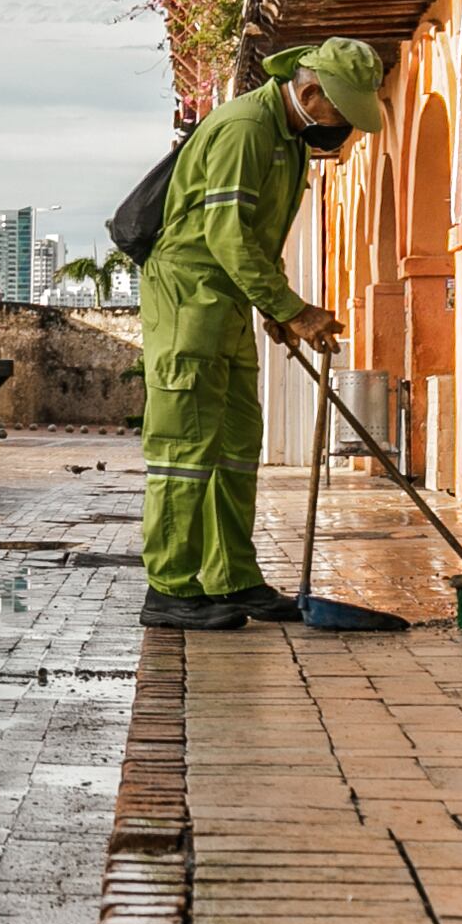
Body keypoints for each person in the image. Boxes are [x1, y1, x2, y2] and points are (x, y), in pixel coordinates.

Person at [137, 36, 386, 630]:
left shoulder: (291, 140)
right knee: (185, 452)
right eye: (342, 112)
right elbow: (225, 236)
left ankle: (234, 579)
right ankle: (169, 587)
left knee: (236, 446)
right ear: (309, 92)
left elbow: (258, 238)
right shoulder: (246, 128)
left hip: (226, 303)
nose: (345, 129)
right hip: (189, 299)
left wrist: (276, 309)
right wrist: (294, 309)